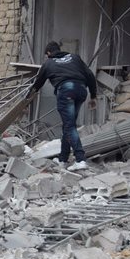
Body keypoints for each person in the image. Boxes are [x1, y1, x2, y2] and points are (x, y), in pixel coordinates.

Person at [26, 41, 97, 171]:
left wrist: (26, 100)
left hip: (66, 90)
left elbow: (37, 84)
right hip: (81, 90)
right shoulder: (75, 57)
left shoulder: (48, 63)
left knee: (69, 126)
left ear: (48, 53)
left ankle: (80, 159)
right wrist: (93, 96)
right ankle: (62, 159)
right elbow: (90, 75)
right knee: (68, 125)